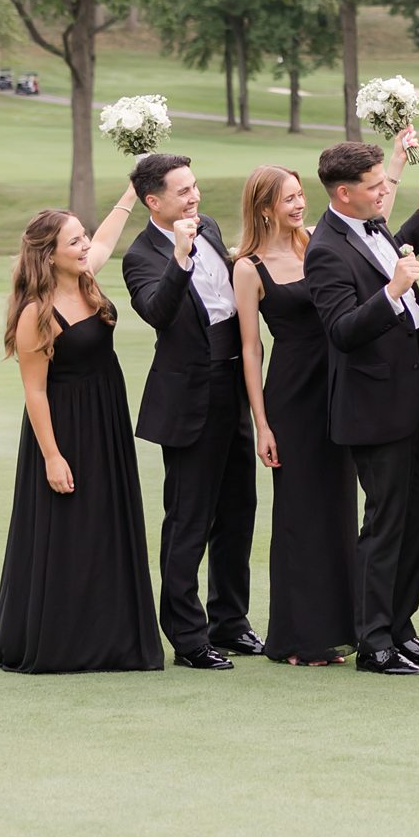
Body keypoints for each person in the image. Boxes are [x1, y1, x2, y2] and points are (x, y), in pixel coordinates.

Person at [0, 190, 163, 673]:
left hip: (106, 419)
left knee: (106, 523)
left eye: (83, 237)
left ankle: (113, 639)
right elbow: (35, 392)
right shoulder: (35, 313)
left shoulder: (86, 279)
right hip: (66, 427)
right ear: (50, 254)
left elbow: (107, 238)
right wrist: (52, 456)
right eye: (74, 241)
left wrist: (131, 190)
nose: (85, 246)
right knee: (72, 530)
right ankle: (66, 642)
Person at [308, 129, 419, 676]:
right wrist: (391, 292)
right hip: (372, 405)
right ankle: (374, 642)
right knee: (386, 521)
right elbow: (342, 329)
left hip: (412, 396)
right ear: (343, 193)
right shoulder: (323, 250)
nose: (381, 192)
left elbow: (391, 252)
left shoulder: (373, 225)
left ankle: (402, 626)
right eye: (372, 186)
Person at [124, 153, 262, 670]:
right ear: (153, 201)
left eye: (194, 186)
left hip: (233, 385)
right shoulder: (140, 256)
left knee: (238, 511)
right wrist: (180, 258)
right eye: (182, 192)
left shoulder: (210, 227)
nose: (194, 197)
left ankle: (232, 622)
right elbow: (158, 312)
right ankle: (187, 636)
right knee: (189, 519)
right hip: (188, 400)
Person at [231, 165, 357, 666]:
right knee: (300, 516)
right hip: (290, 396)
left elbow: (375, 216)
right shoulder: (247, 267)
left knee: (338, 508)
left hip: (338, 389)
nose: (300, 204)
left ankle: (342, 626)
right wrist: (261, 424)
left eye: (301, 195)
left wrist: (393, 160)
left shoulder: (316, 243)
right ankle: (299, 637)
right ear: (264, 208)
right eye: (289, 199)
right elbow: (250, 350)